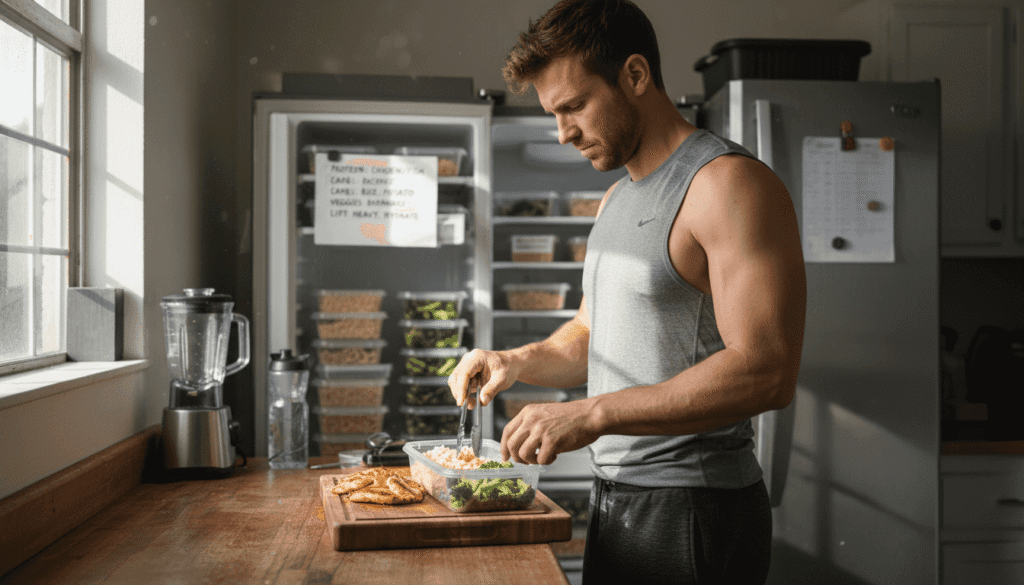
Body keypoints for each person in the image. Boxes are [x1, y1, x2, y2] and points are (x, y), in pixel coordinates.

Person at [448, 0, 806, 582]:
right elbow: (594, 336)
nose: (564, 133)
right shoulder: (618, 199)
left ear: (635, 76)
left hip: (695, 507)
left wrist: (590, 414)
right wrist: (514, 361)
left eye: (574, 107)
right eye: (553, 114)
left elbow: (766, 369)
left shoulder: (726, 184)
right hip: (620, 498)